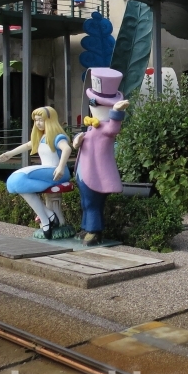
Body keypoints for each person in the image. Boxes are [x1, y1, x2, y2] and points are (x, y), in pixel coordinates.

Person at [72, 68, 130, 245]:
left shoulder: (106, 128)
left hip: (96, 176)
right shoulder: (91, 127)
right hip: (84, 173)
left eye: (96, 103)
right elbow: (86, 145)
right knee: (85, 202)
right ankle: (85, 227)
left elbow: (114, 128)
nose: (92, 106)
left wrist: (117, 113)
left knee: (93, 203)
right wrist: (77, 141)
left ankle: (94, 231)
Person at [0, 106, 71, 239]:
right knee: (15, 184)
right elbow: (27, 145)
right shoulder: (41, 137)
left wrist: (60, 167)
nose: (38, 123)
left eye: (41, 120)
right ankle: (47, 216)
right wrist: (9, 154)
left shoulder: (58, 137)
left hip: (57, 173)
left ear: (50, 120)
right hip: (46, 171)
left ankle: (46, 220)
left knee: (17, 179)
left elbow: (66, 149)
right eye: (36, 120)